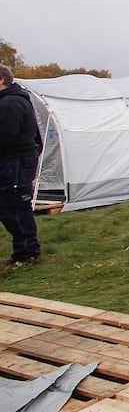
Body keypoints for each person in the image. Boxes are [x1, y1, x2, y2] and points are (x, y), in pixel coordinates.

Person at [0, 65, 42, 266]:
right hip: (15, 160)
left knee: (15, 206)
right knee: (8, 206)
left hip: (15, 161)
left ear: (1, 79)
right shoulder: (11, 100)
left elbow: (6, 137)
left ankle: (28, 253)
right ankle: (22, 251)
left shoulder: (11, 103)